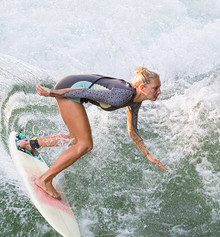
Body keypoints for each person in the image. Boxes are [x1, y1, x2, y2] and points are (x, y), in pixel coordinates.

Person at [19, 66, 168, 198]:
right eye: (156, 88)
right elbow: (84, 91)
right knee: (85, 145)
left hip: (73, 88)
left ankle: (31, 144)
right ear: (142, 87)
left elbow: (132, 131)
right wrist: (52, 93)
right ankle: (44, 180)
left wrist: (147, 154)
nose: (159, 91)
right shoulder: (122, 95)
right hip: (70, 88)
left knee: (75, 138)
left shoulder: (134, 100)